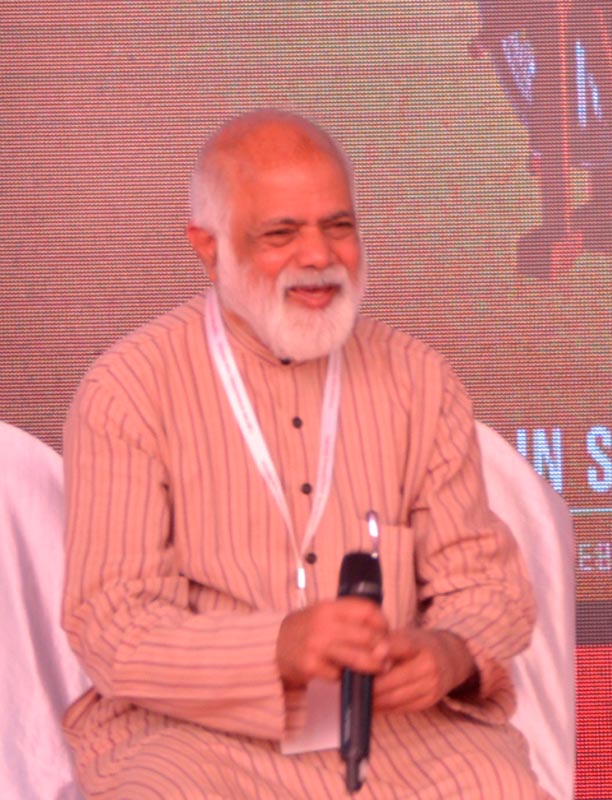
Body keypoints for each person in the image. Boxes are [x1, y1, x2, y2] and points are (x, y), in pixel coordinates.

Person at [61, 110, 546, 798]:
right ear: (208, 247)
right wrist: (277, 649)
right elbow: (114, 624)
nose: (318, 256)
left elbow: (485, 585)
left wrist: (451, 652)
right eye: (280, 234)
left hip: (397, 731)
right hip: (197, 734)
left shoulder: (420, 379)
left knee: (498, 786)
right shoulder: (127, 390)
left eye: (338, 227)